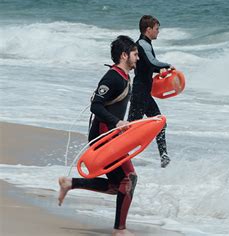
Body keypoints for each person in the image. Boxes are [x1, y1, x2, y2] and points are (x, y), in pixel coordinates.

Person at [58, 35, 139, 235]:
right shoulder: (112, 77)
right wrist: (117, 122)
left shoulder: (125, 76)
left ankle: (70, 183)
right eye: (135, 54)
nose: (138, 58)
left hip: (113, 134)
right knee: (129, 178)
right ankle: (119, 230)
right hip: (103, 135)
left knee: (115, 186)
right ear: (124, 55)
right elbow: (96, 105)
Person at [128, 15, 174, 168]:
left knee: (160, 123)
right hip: (140, 92)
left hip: (144, 93)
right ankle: (115, 154)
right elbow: (152, 62)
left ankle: (164, 158)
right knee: (130, 129)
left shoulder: (145, 44)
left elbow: (149, 66)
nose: (158, 32)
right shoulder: (142, 43)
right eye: (156, 29)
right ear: (148, 30)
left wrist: (161, 70)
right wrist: (168, 65)